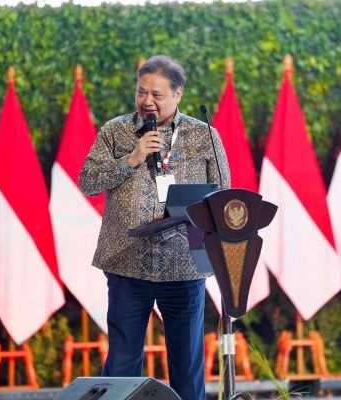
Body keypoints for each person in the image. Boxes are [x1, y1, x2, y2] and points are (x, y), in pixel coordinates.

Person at [79, 55, 230, 400]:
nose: (147, 101)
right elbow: (87, 181)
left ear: (177, 94)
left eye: (157, 95)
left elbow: (221, 196)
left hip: (184, 265)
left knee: (187, 366)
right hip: (127, 261)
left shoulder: (204, 135)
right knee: (121, 364)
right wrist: (131, 159)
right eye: (141, 92)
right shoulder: (116, 131)